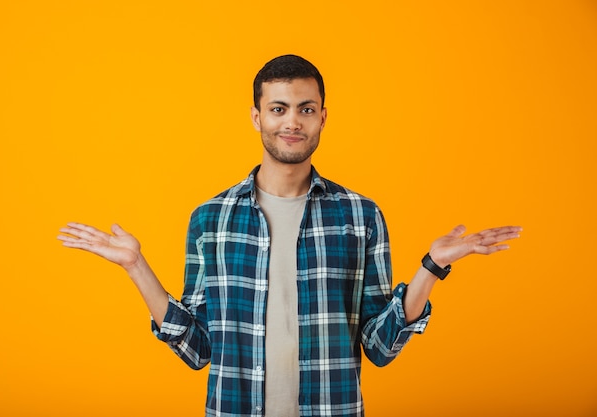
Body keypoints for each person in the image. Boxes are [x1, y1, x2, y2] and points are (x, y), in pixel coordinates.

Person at [57, 54, 521, 417]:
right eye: (278, 108)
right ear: (257, 117)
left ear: (323, 117)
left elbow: (380, 347)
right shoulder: (210, 219)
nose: (292, 121)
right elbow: (198, 349)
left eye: (306, 109)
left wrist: (431, 267)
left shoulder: (360, 216)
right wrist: (136, 267)